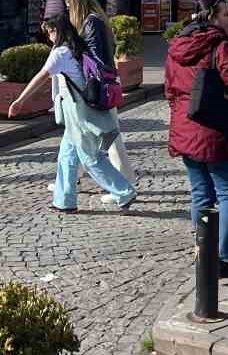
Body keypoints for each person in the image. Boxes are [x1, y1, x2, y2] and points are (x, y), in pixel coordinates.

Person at [164, 0, 228, 281]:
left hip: (187, 130)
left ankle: (203, 253)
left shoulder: (177, 47)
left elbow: (170, 90)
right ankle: (222, 257)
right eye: (226, 14)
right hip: (218, 131)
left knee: (201, 194)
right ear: (211, 17)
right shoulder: (221, 46)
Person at [9, 14, 137, 212]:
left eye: (48, 31)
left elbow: (41, 77)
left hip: (77, 111)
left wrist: (19, 101)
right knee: (67, 156)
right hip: (77, 111)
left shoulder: (60, 52)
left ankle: (124, 191)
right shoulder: (77, 46)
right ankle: (64, 200)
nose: (48, 36)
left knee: (90, 157)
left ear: (56, 31)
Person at [67, 0, 134, 184]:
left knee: (109, 136)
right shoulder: (95, 21)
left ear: (77, 5)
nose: (68, 10)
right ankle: (71, 176)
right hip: (101, 82)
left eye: (70, 6)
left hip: (99, 85)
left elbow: (94, 56)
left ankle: (125, 180)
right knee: (80, 135)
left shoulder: (90, 23)